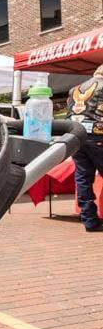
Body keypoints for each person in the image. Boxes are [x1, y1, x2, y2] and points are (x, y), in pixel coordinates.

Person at [66, 64, 103, 232]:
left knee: (82, 178)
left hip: (76, 136)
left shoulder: (74, 89)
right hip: (98, 135)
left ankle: (89, 220)